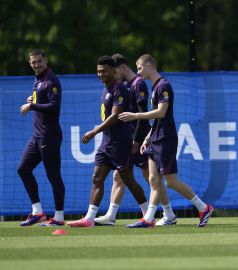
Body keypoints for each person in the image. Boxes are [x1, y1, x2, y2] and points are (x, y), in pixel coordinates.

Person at [119, 54, 214, 228]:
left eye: (140, 68)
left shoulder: (164, 85)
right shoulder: (154, 87)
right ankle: (149, 219)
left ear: (149, 66)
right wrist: (148, 137)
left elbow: (161, 112)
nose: (138, 72)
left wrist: (135, 115)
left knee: (171, 181)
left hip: (165, 138)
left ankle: (203, 207)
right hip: (155, 138)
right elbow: (156, 118)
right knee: (154, 179)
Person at [94, 54, 176, 226]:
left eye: (114, 72)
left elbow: (141, 116)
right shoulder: (125, 85)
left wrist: (137, 139)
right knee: (119, 175)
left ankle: (167, 213)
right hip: (129, 139)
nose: (113, 76)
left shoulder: (139, 85)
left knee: (151, 178)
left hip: (137, 139)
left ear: (122, 68)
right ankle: (111, 214)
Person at [67, 56, 148, 227]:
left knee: (128, 179)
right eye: (98, 71)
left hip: (120, 143)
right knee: (97, 178)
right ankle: (89, 218)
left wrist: (94, 131)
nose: (100, 74)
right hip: (107, 143)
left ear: (113, 70)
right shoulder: (106, 89)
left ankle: (148, 215)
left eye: (104, 71)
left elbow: (115, 116)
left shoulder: (120, 89)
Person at [18, 49, 65, 226]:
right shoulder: (38, 79)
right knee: (23, 169)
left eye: (39, 61)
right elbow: (42, 99)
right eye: (33, 62)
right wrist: (34, 99)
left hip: (49, 136)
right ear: (30, 63)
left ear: (46, 60)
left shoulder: (51, 80)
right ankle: (37, 212)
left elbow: (54, 106)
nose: (37, 64)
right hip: (37, 136)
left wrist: (32, 106)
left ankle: (59, 218)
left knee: (53, 176)